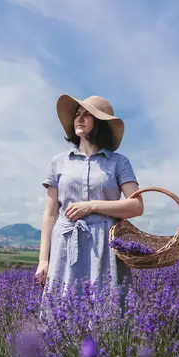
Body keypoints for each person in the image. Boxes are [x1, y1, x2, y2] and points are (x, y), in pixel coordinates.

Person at [35, 93, 143, 310]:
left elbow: (136, 206)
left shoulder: (118, 162)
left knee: (106, 310)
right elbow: (50, 213)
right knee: (61, 311)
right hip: (65, 243)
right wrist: (43, 260)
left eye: (87, 115)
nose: (79, 119)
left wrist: (92, 206)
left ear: (100, 123)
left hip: (104, 242)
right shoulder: (59, 162)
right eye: (77, 114)